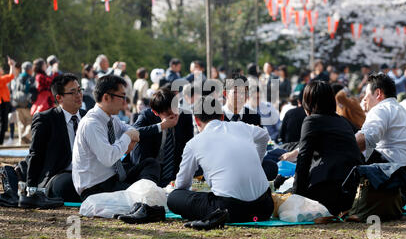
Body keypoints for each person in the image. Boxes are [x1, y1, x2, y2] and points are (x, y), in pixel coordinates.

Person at [167, 96, 274, 224]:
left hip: (230, 211)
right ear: (222, 116)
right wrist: (258, 160)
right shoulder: (241, 127)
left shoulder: (193, 143)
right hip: (265, 208)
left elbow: (182, 185)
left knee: (174, 197)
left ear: (196, 120)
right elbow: (264, 136)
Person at [355, 73, 406, 203]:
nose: (364, 99)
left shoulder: (380, 109)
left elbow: (366, 140)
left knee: (350, 145)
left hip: (386, 177)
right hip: (405, 182)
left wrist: (339, 148)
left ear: (378, 93)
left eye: (366, 94)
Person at [72, 75, 151, 201]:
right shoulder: (91, 123)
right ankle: (146, 195)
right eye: (122, 97)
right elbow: (108, 158)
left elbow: (132, 130)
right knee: (143, 197)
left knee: (150, 164)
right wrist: (127, 139)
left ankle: (147, 192)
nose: (125, 102)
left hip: (113, 178)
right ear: (106, 97)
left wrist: (129, 138)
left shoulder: (111, 118)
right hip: (96, 188)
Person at [292, 81, 362, 216]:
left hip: (328, 192)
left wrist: (297, 197)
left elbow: (303, 160)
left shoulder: (311, 121)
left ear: (308, 102)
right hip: (351, 193)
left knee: (285, 193)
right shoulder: (343, 121)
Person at [18, 74, 86, 208]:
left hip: (87, 173)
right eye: (72, 92)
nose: (78, 95)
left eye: (79, 90)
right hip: (59, 176)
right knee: (69, 185)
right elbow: (36, 154)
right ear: (59, 98)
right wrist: (32, 188)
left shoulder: (88, 117)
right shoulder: (46, 119)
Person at [130, 87, 193, 188]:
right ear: (155, 112)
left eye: (175, 110)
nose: (174, 115)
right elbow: (132, 132)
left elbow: (190, 145)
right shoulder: (147, 115)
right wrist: (161, 126)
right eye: (168, 114)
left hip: (174, 171)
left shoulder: (185, 116)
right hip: (149, 170)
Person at [10, 61, 35, 145]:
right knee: (30, 121)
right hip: (26, 104)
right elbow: (31, 90)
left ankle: (21, 141)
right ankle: (26, 135)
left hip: (16, 103)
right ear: (29, 69)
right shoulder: (30, 78)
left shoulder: (17, 77)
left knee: (20, 123)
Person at [0, 56, 18, 145]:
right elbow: (12, 76)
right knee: (3, 123)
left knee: (3, 123)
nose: (1, 69)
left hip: (3, 102)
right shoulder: (1, 79)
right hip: (2, 103)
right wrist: (12, 65)